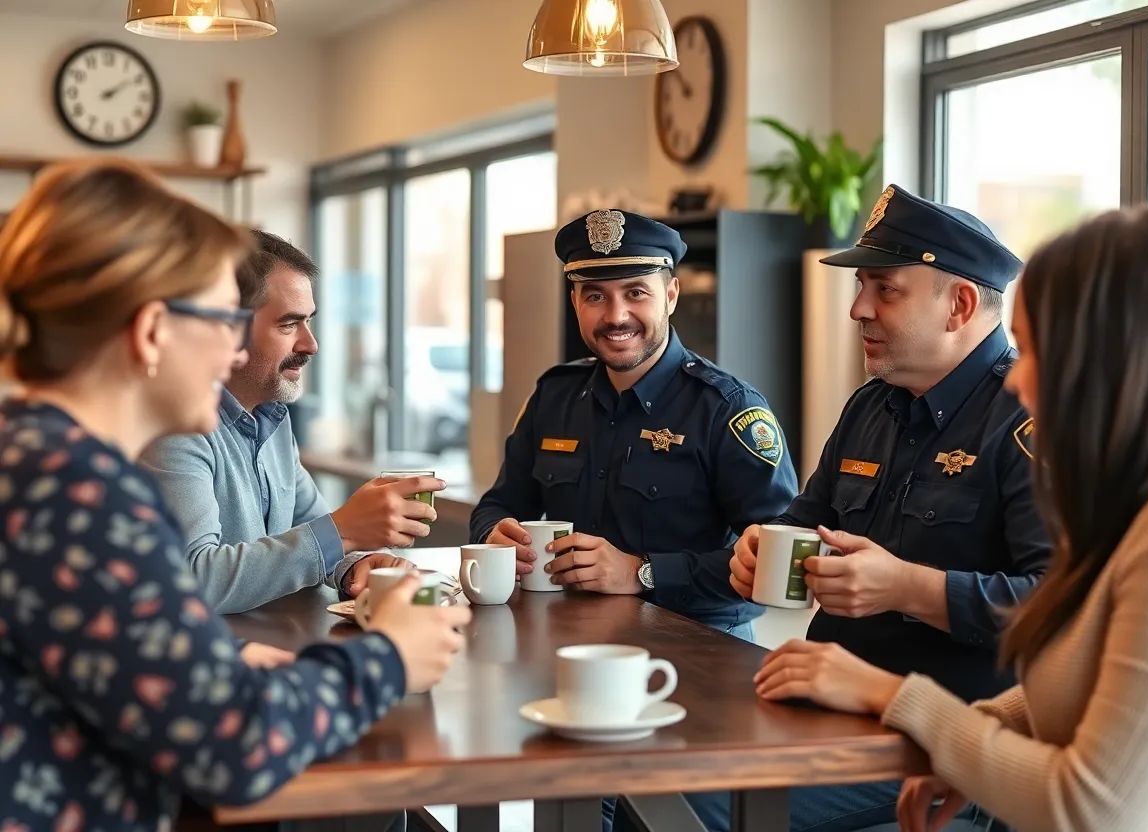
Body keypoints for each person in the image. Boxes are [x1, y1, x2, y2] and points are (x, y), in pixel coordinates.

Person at [0, 158, 470, 831]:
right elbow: (237, 745)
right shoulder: (75, 494)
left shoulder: (41, 460)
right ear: (153, 330)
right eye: (224, 320)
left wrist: (210, 656)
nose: (231, 355)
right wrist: (391, 657)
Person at [758, 205, 1148, 832]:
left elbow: (1091, 812)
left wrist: (894, 697)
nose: (1019, 379)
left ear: (1122, 364)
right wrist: (980, 731)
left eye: (1039, 351)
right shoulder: (1145, 508)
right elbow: (1084, 676)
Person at [640, 185, 1052, 832]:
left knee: (674, 803)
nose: (858, 308)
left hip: (937, 737)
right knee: (625, 768)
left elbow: (1055, 609)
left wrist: (909, 590)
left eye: (884, 289)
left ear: (960, 305)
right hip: (819, 705)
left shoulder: (1027, 422)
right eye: (861, 286)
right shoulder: (871, 405)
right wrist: (762, 550)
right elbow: (806, 522)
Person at [469, 209, 800, 638]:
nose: (616, 316)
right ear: (575, 302)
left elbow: (782, 557)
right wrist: (497, 533)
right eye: (595, 296)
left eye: (636, 292)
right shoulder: (555, 395)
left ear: (672, 295)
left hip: (700, 647)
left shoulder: (727, 409)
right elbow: (497, 504)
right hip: (570, 638)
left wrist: (642, 573)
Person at [141, 229, 443, 613]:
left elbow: (307, 531)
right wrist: (344, 530)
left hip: (266, 649)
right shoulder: (176, 429)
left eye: (309, 322)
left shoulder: (272, 419)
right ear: (227, 328)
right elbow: (196, 580)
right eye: (288, 325)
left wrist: (357, 564)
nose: (310, 344)